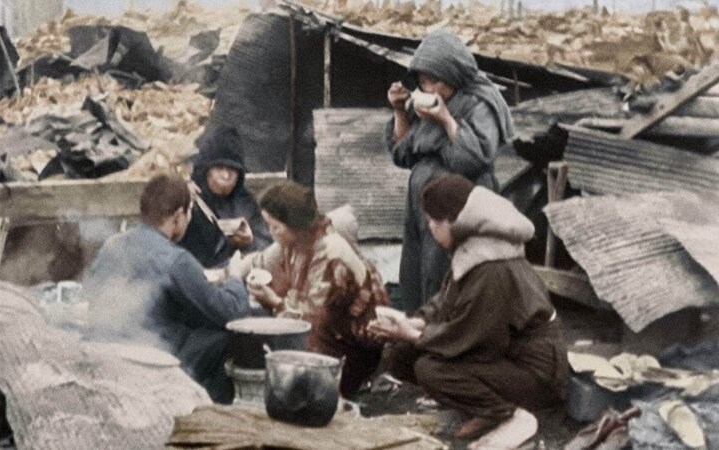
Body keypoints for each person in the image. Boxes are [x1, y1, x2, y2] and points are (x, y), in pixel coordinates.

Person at [368, 173, 567, 448]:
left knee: (430, 369)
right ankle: (482, 405)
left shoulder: (491, 266)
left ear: (454, 221)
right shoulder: (474, 248)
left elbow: (473, 337)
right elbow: (444, 302)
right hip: (504, 354)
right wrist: (414, 321)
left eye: (433, 222)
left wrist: (414, 335)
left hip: (536, 374)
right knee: (401, 354)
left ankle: (502, 412)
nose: (430, 229)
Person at [84, 174, 254, 404]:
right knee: (226, 335)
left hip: (106, 352)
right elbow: (231, 312)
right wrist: (235, 276)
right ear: (178, 217)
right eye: (190, 213)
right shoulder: (176, 260)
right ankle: (205, 410)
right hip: (153, 358)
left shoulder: (112, 244)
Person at [385, 29, 514, 313]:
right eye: (422, 82)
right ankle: (416, 336)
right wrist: (398, 110)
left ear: (452, 76)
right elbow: (402, 152)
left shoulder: (480, 103)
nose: (427, 88)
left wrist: (444, 118)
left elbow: (473, 157)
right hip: (421, 207)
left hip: (458, 209)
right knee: (414, 274)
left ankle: (443, 340)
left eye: (433, 81)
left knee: (444, 275)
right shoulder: (422, 104)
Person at [243, 181, 388, 398]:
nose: (271, 233)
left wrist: (275, 301)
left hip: (350, 349)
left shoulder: (330, 254)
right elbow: (265, 266)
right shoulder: (297, 242)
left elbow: (315, 319)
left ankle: (327, 393)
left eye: (275, 227)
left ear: (295, 224)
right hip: (329, 334)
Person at [178, 127, 272, 267]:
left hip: (233, 277)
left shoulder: (245, 202)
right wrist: (181, 203)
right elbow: (163, 240)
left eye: (231, 169)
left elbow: (268, 247)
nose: (226, 175)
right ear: (207, 170)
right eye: (219, 168)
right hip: (192, 274)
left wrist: (250, 242)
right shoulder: (189, 195)